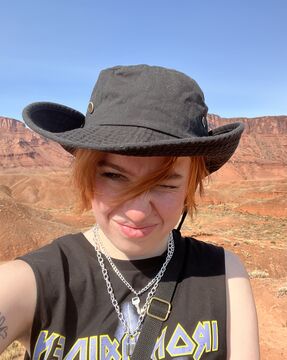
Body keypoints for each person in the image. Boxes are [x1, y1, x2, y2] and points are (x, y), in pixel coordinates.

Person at [0, 65, 259, 359]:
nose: (137, 212)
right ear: (88, 175)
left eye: (164, 184)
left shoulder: (225, 277)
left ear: (190, 186)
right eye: (114, 176)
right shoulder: (35, 281)